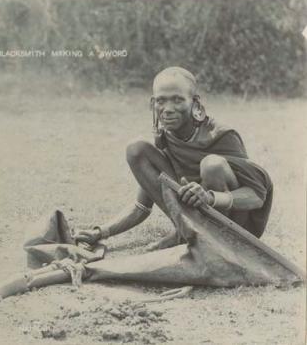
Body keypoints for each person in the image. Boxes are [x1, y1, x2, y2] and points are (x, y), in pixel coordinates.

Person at [75, 67, 273, 250]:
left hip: (233, 226)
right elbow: (141, 207)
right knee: (137, 149)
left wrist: (210, 197)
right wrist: (100, 232)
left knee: (212, 165)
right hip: (195, 219)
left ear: (195, 103)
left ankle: (210, 243)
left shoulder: (222, 135)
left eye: (177, 100)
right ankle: (185, 231)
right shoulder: (166, 138)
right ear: (153, 104)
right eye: (161, 101)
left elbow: (256, 195)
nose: (167, 108)